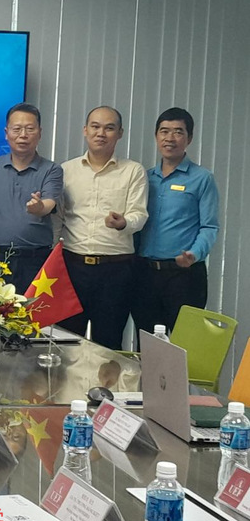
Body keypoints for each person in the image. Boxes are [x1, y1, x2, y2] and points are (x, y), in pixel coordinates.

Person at [55, 106, 148, 350]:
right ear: (85, 130)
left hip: (115, 270)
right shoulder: (66, 170)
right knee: (67, 343)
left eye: (109, 128)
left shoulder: (133, 171)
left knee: (109, 345)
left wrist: (123, 223)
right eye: (95, 127)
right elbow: (58, 217)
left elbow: (139, 214)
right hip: (73, 267)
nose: (101, 133)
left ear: (120, 133)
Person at [133, 108, 219, 334]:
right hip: (145, 274)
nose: (170, 138)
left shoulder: (202, 178)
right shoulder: (144, 178)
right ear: (156, 136)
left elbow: (209, 226)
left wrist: (194, 253)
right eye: (164, 131)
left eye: (178, 132)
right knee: (147, 343)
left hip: (185, 275)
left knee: (185, 343)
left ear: (189, 138)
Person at [0, 103, 63, 294]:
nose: (23, 135)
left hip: (36, 261)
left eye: (30, 129)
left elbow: (49, 203)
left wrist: (40, 208)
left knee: (33, 312)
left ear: (40, 133)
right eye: (17, 129)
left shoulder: (52, 169)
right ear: (6, 133)